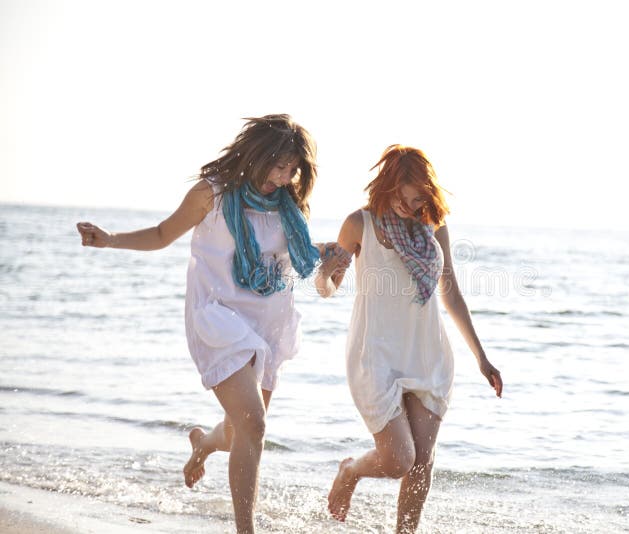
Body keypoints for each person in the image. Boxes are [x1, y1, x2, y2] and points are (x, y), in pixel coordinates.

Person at [76, 114, 349, 534]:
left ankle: (204, 443)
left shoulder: (287, 206)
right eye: (280, 165)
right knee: (254, 424)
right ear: (258, 156)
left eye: (293, 169)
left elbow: (296, 261)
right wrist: (110, 239)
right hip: (220, 318)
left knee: (244, 429)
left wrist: (329, 259)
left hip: (270, 319)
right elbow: (163, 233)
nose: (286, 176)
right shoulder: (213, 195)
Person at [316, 145, 503, 533]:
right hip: (376, 355)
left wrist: (481, 357)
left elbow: (449, 292)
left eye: (417, 197)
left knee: (422, 461)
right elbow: (327, 287)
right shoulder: (359, 224)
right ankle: (350, 471)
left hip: (426, 352)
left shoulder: (434, 224)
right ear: (387, 185)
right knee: (399, 459)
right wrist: (327, 271)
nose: (408, 204)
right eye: (402, 195)